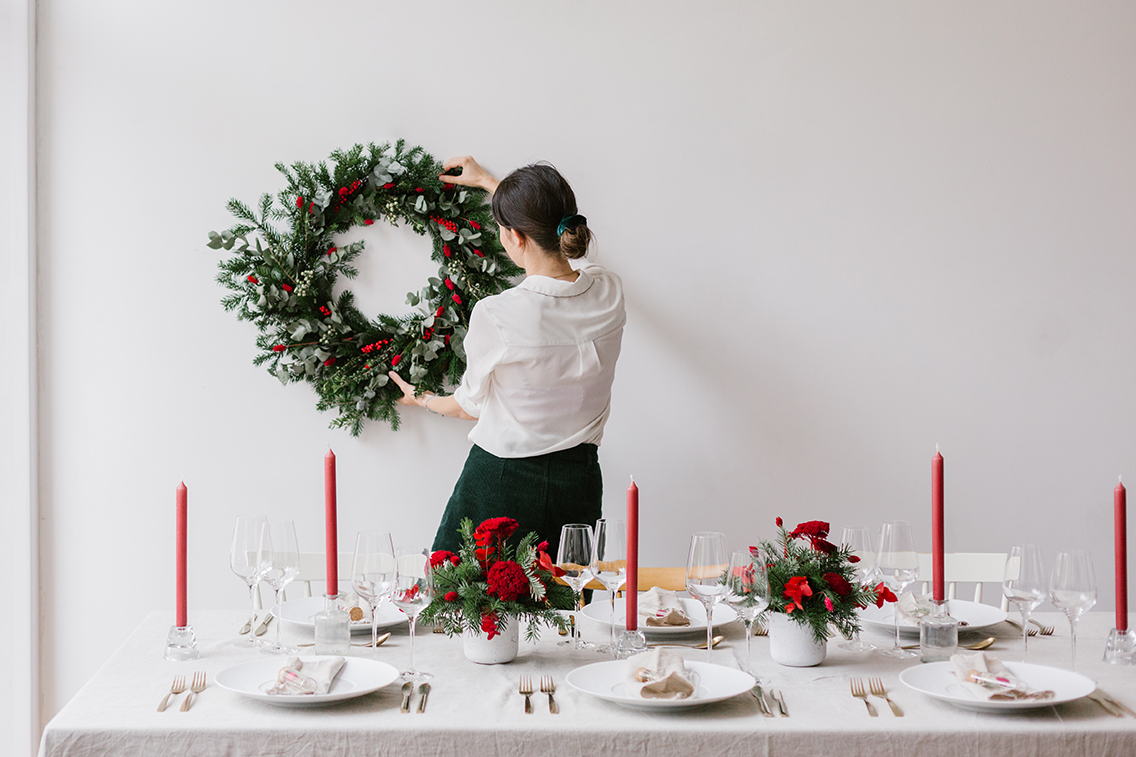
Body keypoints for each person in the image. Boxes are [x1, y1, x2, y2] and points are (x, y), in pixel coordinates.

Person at [388, 156, 625, 558]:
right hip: (579, 485)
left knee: (460, 608)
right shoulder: (609, 291)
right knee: (566, 611)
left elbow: (468, 406)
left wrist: (423, 398)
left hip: (501, 483)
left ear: (515, 237)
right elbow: (549, 237)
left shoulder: (497, 314)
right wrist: (489, 182)